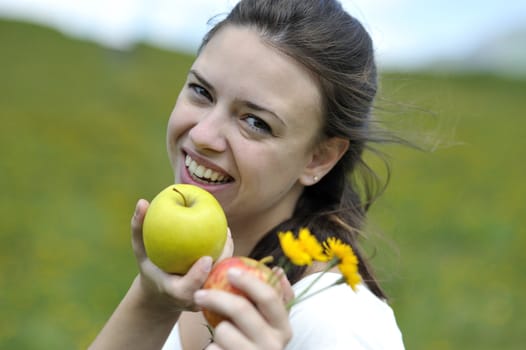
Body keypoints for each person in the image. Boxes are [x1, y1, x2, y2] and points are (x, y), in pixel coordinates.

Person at [90, 0, 405, 349]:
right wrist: (152, 302)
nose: (202, 135)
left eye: (255, 122)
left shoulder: (336, 324)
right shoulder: (186, 277)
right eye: (201, 91)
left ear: (318, 158)